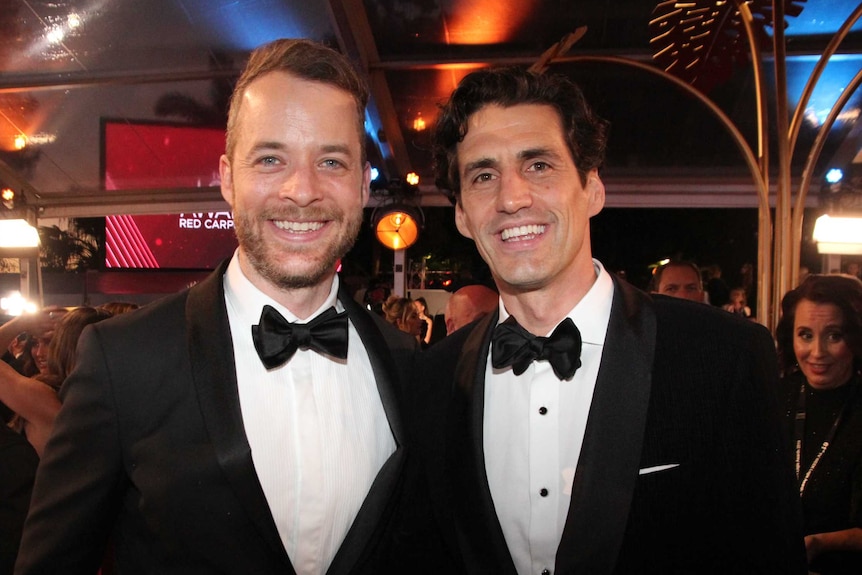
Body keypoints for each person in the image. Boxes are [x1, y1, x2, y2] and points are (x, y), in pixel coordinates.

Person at [16, 38, 416, 575]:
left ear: (364, 185)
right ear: (228, 177)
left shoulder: (409, 364)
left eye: (332, 161)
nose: (302, 190)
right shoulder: (122, 361)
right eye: (271, 159)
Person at [413, 66, 806, 574]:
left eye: (539, 166)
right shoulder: (433, 380)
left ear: (592, 189)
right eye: (483, 175)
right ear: (463, 215)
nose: (511, 198)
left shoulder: (724, 356)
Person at [776, 274, 862, 574]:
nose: (817, 353)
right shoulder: (774, 396)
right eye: (805, 335)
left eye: (834, 335)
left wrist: (820, 543)